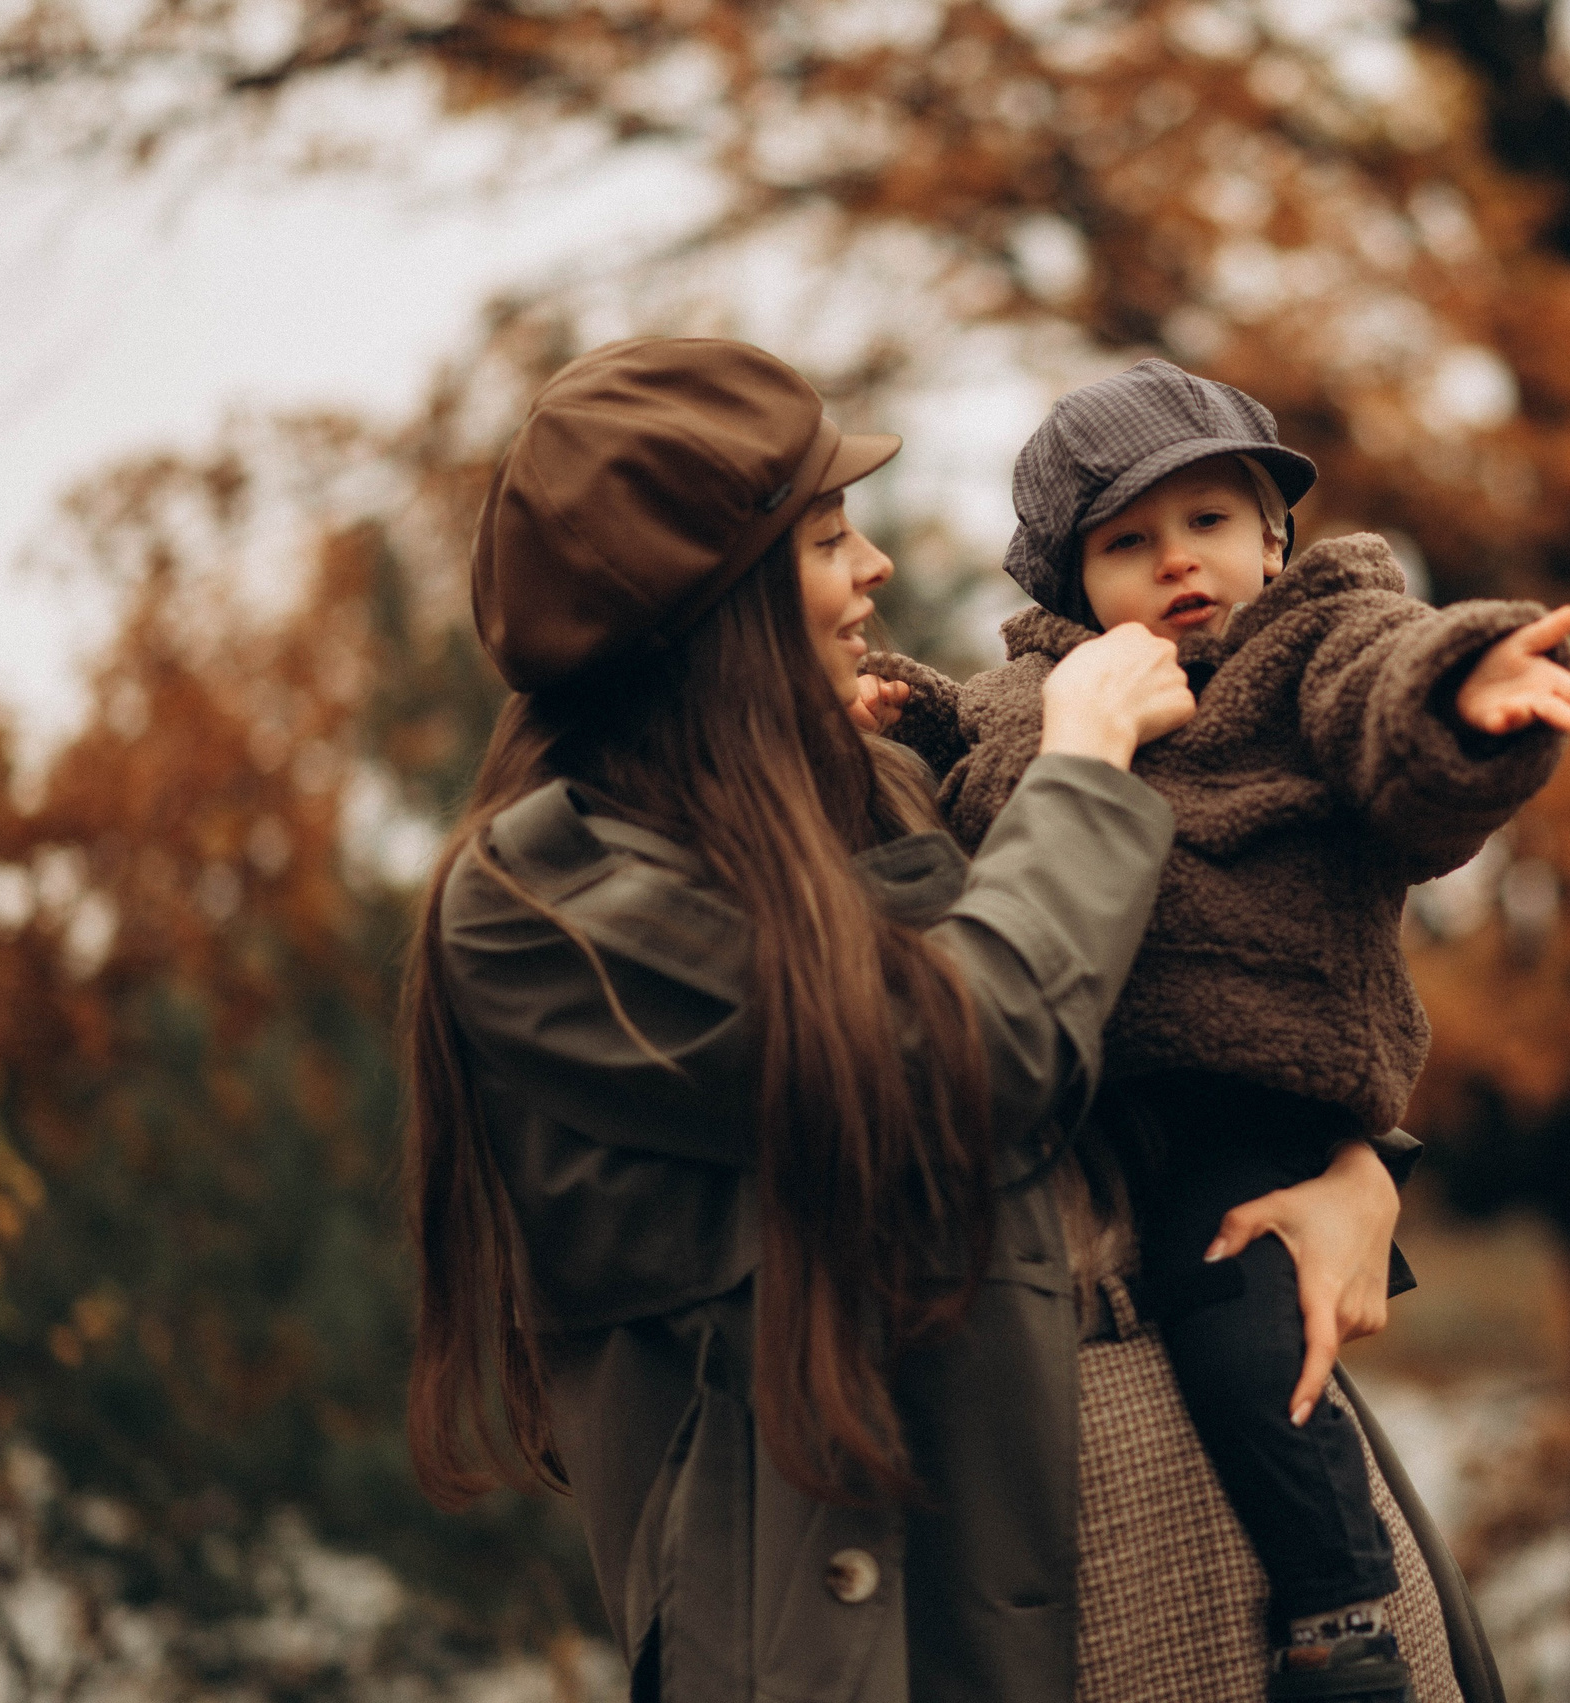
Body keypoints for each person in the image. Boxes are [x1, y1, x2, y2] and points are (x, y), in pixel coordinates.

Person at [398, 337, 1497, 1703]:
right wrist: (1087, 764)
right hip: (952, 1615)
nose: (875, 571)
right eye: (824, 540)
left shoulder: (896, 785)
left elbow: (1210, 983)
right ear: (713, 602)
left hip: (1244, 1548)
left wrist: (1352, 1171)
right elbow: (955, 1072)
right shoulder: (548, 905)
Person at [866, 359, 1570, 1703]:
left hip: (1255, 1092)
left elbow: (1387, 710)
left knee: (1244, 1334)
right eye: (1128, 544)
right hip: (1094, 1101)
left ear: (1275, 535)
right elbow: (974, 779)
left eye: (1209, 522)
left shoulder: (1313, 647)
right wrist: (909, 717)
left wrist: (1466, 691)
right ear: (1067, 585)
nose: (1178, 565)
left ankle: (1341, 1616)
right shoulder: (1051, 693)